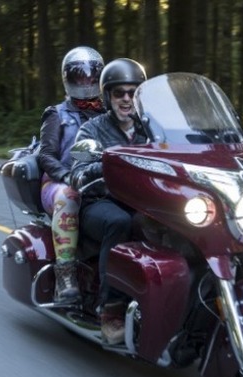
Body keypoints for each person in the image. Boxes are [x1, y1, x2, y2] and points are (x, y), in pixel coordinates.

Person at [69, 58, 147, 344]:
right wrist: (109, 162)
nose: (126, 99)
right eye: (119, 93)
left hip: (141, 201)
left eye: (133, 92)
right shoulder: (93, 130)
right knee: (120, 222)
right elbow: (76, 176)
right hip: (100, 202)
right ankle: (111, 312)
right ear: (108, 96)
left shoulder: (150, 130)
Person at [37, 46, 105, 304]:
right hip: (58, 184)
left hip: (99, 181)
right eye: (79, 76)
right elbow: (46, 156)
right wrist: (66, 176)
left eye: (91, 76)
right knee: (69, 198)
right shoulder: (57, 114)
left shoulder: (109, 113)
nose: (86, 81)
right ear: (68, 78)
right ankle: (65, 275)